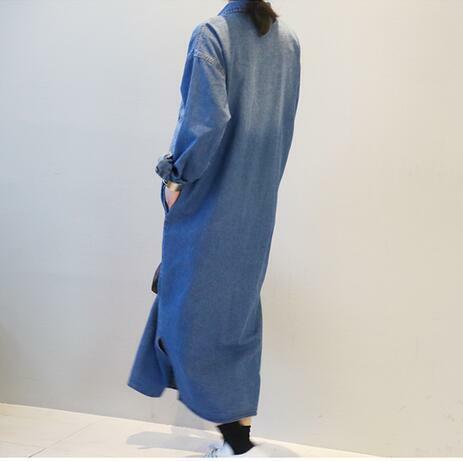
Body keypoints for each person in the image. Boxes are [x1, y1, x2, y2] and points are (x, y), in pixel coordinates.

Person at [127, 0, 301, 456]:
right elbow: (283, 127)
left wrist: (175, 177)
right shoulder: (288, 42)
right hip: (256, 200)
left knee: (191, 307)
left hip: (210, 197)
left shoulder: (213, 34)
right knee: (236, 318)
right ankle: (238, 438)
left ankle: (236, 444)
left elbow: (203, 123)